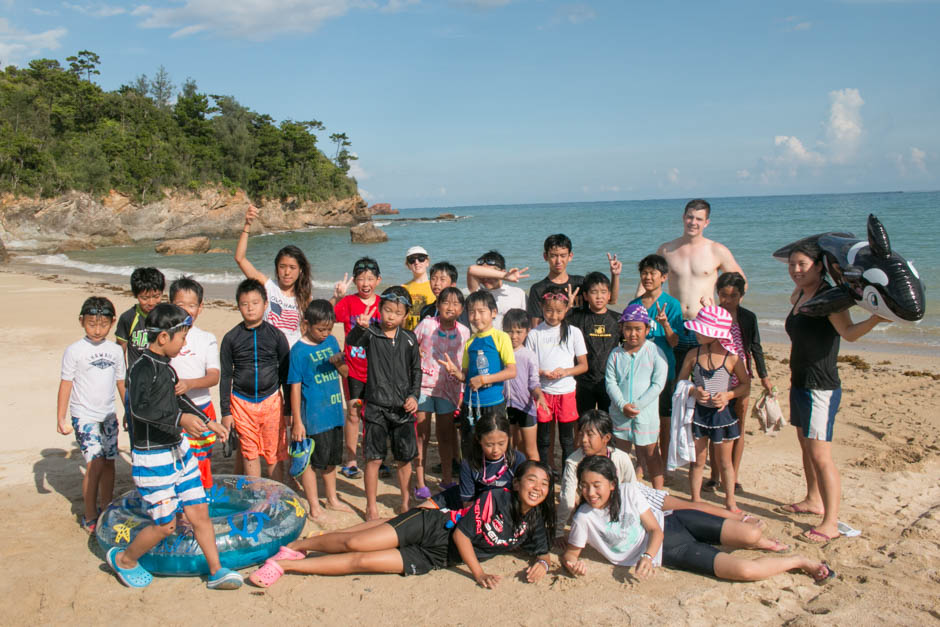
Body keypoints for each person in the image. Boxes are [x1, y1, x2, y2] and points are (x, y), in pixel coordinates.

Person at [248, 460, 555, 590]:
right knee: (355, 542)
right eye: (532, 479)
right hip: (431, 526)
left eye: (544, 483)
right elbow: (463, 535)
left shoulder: (535, 520)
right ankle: (296, 547)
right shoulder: (497, 498)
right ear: (516, 484)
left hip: (434, 558)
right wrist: (479, 573)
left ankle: (286, 566)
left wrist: (541, 562)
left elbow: (543, 550)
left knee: (363, 561)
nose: (538, 487)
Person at [107, 303, 241, 589]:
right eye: (182, 338)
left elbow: (179, 399)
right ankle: (125, 560)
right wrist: (180, 420)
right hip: (153, 458)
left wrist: (208, 421)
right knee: (165, 525)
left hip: (180, 452)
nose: (184, 343)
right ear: (164, 338)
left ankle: (216, 570)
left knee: (199, 512)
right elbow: (140, 409)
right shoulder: (142, 368)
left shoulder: (167, 369)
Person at [562, 456, 834, 584]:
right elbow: (571, 555)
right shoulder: (584, 518)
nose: (590, 492)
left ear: (612, 483)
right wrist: (573, 566)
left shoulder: (629, 491)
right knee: (744, 572)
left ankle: (756, 539)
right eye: (584, 486)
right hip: (674, 551)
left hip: (677, 523)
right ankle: (800, 561)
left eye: (597, 485)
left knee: (751, 536)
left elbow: (655, 530)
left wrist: (645, 556)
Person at [782, 241, 886, 543]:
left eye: (802, 265)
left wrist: (876, 318)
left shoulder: (830, 299)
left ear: (818, 266)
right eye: (791, 265)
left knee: (821, 455)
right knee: (805, 445)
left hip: (820, 387)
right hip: (799, 381)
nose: (795, 271)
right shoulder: (800, 294)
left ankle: (830, 521)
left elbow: (849, 334)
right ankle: (813, 499)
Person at [346, 286, 422, 520]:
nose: (391, 316)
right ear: (379, 309)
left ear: (405, 316)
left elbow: (416, 371)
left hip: (402, 408)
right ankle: (371, 506)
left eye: (397, 313)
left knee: (404, 458)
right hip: (376, 406)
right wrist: (361, 326)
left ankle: (406, 502)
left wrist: (414, 396)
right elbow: (352, 342)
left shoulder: (409, 339)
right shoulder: (371, 334)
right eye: (387, 310)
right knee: (374, 458)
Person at [648, 199, 746, 375]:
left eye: (699, 219)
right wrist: (637, 312)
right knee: (672, 377)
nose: (693, 222)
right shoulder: (666, 250)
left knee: (706, 378)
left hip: (705, 324)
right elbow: (648, 282)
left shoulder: (717, 250)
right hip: (673, 323)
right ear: (683, 217)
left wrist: (726, 311)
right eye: (690, 217)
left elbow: (741, 283)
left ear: (706, 222)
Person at [56, 296, 126, 533]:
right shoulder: (75, 350)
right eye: (92, 324)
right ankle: (89, 514)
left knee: (109, 462)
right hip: (84, 415)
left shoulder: (116, 350)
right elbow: (66, 383)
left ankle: (106, 507)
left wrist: (129, 411)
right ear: (81, 321)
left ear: (112, 322)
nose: (97, 330)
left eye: (103, 325)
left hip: (108, 415)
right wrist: (61, 418)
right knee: (94, 463)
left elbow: (121, 383)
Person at [676, 305, 750, 512]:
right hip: (699, 413)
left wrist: (728, 395)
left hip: (721, 415)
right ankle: (695, 498)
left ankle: (730, 502)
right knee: (697, 460)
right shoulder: (693, 354)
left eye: (700, 330)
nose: (696, 333)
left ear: (714, 334)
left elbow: (745, 384)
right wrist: (694, 392)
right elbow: (680, 381)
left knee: (724, 461)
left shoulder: (732, 357)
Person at [705, 272, 774, 492]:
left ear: (741, 295)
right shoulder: (712, 315)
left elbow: (756, 347)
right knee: (715, 427)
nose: (728, 300)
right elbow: (703, 343)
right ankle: (715, 476)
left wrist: (764, 375)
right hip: (717, 376)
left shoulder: (748, 317)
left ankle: (732, 477)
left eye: (734, 295)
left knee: (738, 428)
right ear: (718, 294)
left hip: (742, 376)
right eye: (724, 295)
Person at [287, 299, 354, 522]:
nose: (325, 333)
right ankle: (315, 505)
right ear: (306, 324)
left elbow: (345, 373)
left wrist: (338, 362)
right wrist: (297, 421)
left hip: (334, 412)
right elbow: (294, 388)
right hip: (312, 417)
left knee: (331, 459)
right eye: (320, 329)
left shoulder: (333, 341)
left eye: (329, 328)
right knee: (310, 461)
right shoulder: (298, 351)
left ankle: (332, 499)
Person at [219, 279, 291, 482]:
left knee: (274, 453)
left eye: (255, 302)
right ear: (238, 306)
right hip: (241, 403)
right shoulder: (231, 338)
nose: (250, 308)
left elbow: (285, 374)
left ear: (265, 303)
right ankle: (255, 499)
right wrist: (226, 412)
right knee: (249, 453)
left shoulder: (276, 336)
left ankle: (275, 497)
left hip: (272, 402)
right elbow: (225, 376)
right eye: (244, 303)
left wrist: (288, 411)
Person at [439, 291, 517, 455]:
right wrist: (455, 372)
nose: (476, 317)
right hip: (470, 404)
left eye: (481, 312)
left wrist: (484, 379)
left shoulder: (501, 337)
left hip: (493, 403)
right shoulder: (470, 342)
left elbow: (511, 371)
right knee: (470, 447)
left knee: (495, 447)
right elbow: (466, 378)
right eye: (472, 312)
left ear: (493, 313)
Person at [413, 287, 470, 494]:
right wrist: (415, 352)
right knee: (422, 435)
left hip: (449, 388)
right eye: (446, 302)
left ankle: (446, 479)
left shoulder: (464, 332)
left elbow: (464, 363)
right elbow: (410, 343)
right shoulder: (427, 324)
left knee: (445, 435)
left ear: (462, 308)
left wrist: (463, 390)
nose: (450, 307)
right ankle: (420, 482)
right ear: (438, 305)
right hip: (423, 387)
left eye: (456, 303)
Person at [628, 254, 684, 465]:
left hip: (664, 369)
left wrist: (665, 323)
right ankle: (643, 463)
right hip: (639, 370)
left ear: (664, 277)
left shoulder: (672, 304)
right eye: (644, 273)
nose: (648, 277)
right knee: (640, 417)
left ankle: (664, 462)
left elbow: (675, 342)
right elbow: (628, 339)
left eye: (652, 273)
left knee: (665, 418)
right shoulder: (634, 304)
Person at [605, 305, 668, 488]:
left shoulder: (655, 352)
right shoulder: (616, 354)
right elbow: (610, 382)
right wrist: (622, 404)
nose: (633, 334)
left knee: (651, 454)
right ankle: (621, 492)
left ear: (647, 329)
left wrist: (638, 405)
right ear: (622, 329)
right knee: (620, 455)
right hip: (620, 414)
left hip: (645, 415)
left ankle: (659, 492)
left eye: (638, 329)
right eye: (628, 328)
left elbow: (657, 384)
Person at [526, 285, 588, 471]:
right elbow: (530, 367)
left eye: (559, 311)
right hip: (543, 393)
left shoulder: (573, 332)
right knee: (544, 439)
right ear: (541, 308)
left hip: (566, 392)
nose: (553, 315)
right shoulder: (535, 333)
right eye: (549, 311)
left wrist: (565, 371)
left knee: (567, 439)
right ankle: (546, 474)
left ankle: (568, 474)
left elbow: (583, 365)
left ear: (566, 309)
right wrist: (543, 372)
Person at [332, 257, 382, 479]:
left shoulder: (383, 303)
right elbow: (326, 317)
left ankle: (374, 457)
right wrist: (337, 296)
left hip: (377, 370)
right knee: (353, 414)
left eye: (370, 278)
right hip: (352, 369)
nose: (365, 283)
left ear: (378, 280)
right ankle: (351, 461)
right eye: (360, 279)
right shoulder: (348, 302)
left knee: (374, 415)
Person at [168, 276, 221, 489]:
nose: (187, 310)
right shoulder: (163, 337)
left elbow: (214, 376)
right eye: (180, 305)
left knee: (202, 460)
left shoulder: (206, 338)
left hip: (202, 409)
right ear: (170, 305)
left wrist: (189, 384)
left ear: (200, 308)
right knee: (176, 460)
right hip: (173, 412)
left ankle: (203, 500)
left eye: (192, 305)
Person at [234, 205, 312, 347]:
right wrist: (247, 225)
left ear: (301, 270)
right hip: (268, 354)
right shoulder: (267, 286)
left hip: (292, 356)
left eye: (292, 267)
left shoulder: (305, 296)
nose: (287, 272)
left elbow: (306, 330)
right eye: (282, 267)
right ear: (277, 267)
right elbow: (240, 258)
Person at [555, 410, 637, 541]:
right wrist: (558, 531)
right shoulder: (574, 461)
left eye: (590, 435)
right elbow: (567, 498)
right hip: (589, 508)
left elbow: (632, 491)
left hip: (617, 508)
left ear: (606, 438)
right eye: (581, 433)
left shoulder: (622, 458)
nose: (584, 440)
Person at [430, 414, 527, 510]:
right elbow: (467, 504)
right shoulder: (469, 464)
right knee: (424, 509)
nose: (495, 450)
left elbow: (523, 497)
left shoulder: (517, 460)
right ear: (478, 439)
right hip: (476, 509)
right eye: (489, 445)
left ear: (509, 438)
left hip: (508, 509)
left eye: (501, 443)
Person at [526, 233, 622, 327]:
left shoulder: (580, 283)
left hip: (582, 337)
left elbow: (611, 300)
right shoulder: (538, 289)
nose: (558, 261)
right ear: (545, 256)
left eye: (563, 255)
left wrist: (615, 275)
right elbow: (536, 325)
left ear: (570, 256)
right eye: (553, 256)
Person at [567, 272, 622, 415]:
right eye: (594, 292)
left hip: (609, 381)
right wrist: (568, 307)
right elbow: (557, 327)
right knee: (584, 422)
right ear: (585, 296)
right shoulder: (576, 318)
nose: (599, 296)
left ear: (609, 295)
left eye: (603, 292)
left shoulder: (618, 320)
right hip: (583, 382)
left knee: (608, 421)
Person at [501, 308, 547, 461]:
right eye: (509, 331)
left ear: (527, 331)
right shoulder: (500, 353)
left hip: (525, 407)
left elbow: (534, 382)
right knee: (508, 446)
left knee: (529, 449)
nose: (514, 336)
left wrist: (539, 396)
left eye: (518, 332)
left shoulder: (528, 356)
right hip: (505, 406)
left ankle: (538, 477)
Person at [115, 267, 165, 369]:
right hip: (136, 378)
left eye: (156, 296)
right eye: (145, 298)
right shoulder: (128, 318)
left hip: (161, 376)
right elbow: (120, 351)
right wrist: (123, 378)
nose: (151, 303)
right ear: (136, 295)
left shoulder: (167, 316)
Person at [466, 250, 528, 329]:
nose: (485, 278)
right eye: (484, 273)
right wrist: (505, 276)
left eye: (490, 273)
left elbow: (526, 322)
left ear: (503, 271)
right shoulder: (478, 293)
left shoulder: (518, 293)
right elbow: (471, 270)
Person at [402, 245, 434, 331]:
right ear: (407, 265)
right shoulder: (403, 288)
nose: (416, 262)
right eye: (412, 260)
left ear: (427, 262)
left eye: (421, 258)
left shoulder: (435, 286)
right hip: (409, 335)